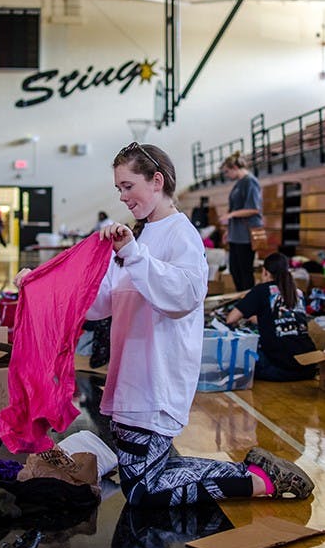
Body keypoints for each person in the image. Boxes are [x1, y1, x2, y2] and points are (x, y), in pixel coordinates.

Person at [77, 141, 314, 506]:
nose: (122, 197)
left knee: (143, 489)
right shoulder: (137, 236)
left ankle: (255, 479)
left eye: (128, 186)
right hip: (131, 379)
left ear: (157, 181)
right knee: (143, 482)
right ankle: (254, 475)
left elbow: (183, 297)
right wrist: (49, 292)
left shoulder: (180, 234)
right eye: (119, 188)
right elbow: (103, 302)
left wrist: (132, 256)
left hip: (156, 379)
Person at [226, 252, 317, 381]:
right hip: (307, 367)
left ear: (265, 272)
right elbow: (281, 318)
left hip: (279, 368)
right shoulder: (297, 292)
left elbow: (231, 318)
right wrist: (258, 319)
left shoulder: (261, 290)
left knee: (241, 353)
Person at [219, 151, 263, 291]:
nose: (227, 175)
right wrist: (228, 230)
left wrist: (230, 215)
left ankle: (247, 304)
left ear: (235, 168)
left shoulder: (250, 181)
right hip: (236, 234)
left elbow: (254, 208)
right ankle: (241, 301)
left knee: (245, 272)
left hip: (245, 235)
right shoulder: (239, 183)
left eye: (227, 171)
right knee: (234, 270)